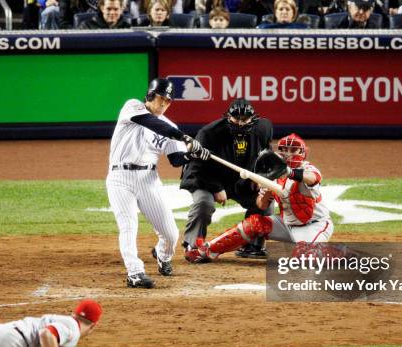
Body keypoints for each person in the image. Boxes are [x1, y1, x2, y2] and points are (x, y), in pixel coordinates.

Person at [107, 78, 210, 288]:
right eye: (161, 99)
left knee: (171, 234)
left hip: (148, 180)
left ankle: (163, 256)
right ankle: (135, 272)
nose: (164, 104)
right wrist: (184, 137)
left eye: (168, 101)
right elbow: (152, 123)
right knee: (128, 225)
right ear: (150, 96)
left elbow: (175, 160)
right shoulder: (133, 107)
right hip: (120, 178)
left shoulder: (169, 127)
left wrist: (194, 154)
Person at [185, 133, 333, 263]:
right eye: (284, 150)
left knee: (303, 261)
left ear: (302, 152)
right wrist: (267, 191)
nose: (288, 153)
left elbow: (313, 178)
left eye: (293, 150)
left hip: (314, 225)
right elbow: (261, 206)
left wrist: (289, 172)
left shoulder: (307, 168)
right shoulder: (272, 174)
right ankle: (207, 250)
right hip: (287, 224)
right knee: (254, 222)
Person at [180, 98, 273, 260]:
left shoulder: (263, 128)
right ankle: (193, 245)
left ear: (253, 118)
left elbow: (266, 155)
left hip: (240, 180)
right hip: (206, 177)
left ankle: (252, 244)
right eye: (236, 118)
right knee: (204, 203)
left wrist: (260, 177)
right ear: (228, 117)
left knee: (265, 198)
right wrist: (216, 187)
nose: (240, 123)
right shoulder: (209, 133)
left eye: (245, 119)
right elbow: (197, 167)